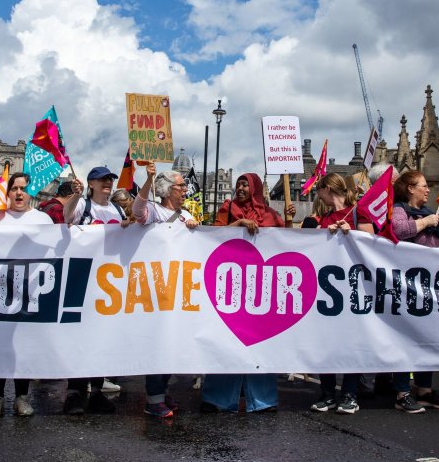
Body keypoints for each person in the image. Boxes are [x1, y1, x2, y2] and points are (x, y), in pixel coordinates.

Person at [202, 172, 294, 413]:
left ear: (255, 188)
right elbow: (214, 236)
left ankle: (262, 399)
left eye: (246, 184)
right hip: (230, 286)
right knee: (226, 342)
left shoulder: (270, 214)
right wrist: (239, 224)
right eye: (239, 184)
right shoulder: (228, 208)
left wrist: (289, 220)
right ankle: (217, 398)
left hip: (260, 289)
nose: (241, 188)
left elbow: (287, 242)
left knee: (261, 344)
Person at [0, 172, 56, 418]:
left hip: (30, 292)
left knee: (23, 346)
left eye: (23, 188)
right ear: (8, 191)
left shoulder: (43, 219)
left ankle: (22, 397)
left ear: (30, 192)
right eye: (14, 188)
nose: (19, 193)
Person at [59, 167, 128, 414]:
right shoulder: (83, 206)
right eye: (103, 180)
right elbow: (67, 217)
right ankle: (75, 393)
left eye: (110, 179)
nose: (108, 183)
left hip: (109, 285)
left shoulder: (117, 210)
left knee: (102, 338)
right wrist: (76, 196)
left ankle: (97, 391)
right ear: (91, 184)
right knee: (80, 338)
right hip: (83, 280)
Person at [133, 162, 199, 418]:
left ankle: (161, 391)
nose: (185, 189)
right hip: (157, 289)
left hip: (180, 290)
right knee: (158, 343)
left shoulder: (186, 216)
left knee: (173, 343)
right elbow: (137, 210)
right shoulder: (154, 211)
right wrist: (148, 180)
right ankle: (153, 399)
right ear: (168, 190)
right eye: (181, 185)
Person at [304, 173, 373, 415]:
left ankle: (350, 394)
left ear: (328, 189)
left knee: (352, 342)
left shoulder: (358, 212)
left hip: (353, 288)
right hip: (328, 290)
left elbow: (372, 245)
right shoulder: (325, 218)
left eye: (318, 191)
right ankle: (327, 394)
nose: (317, 196)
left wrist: (350, 234)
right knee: (328, 343)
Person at [390, 170, 439, 414]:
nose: (428, 190)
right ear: (410, 189)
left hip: (431, 285)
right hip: (407, 285)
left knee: (429, 339)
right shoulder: (400, 210)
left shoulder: (432, 214)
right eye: (423, 186)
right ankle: (402, 392)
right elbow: (397, 230)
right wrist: (425, 223)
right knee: (406, 339)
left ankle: (424, 389)